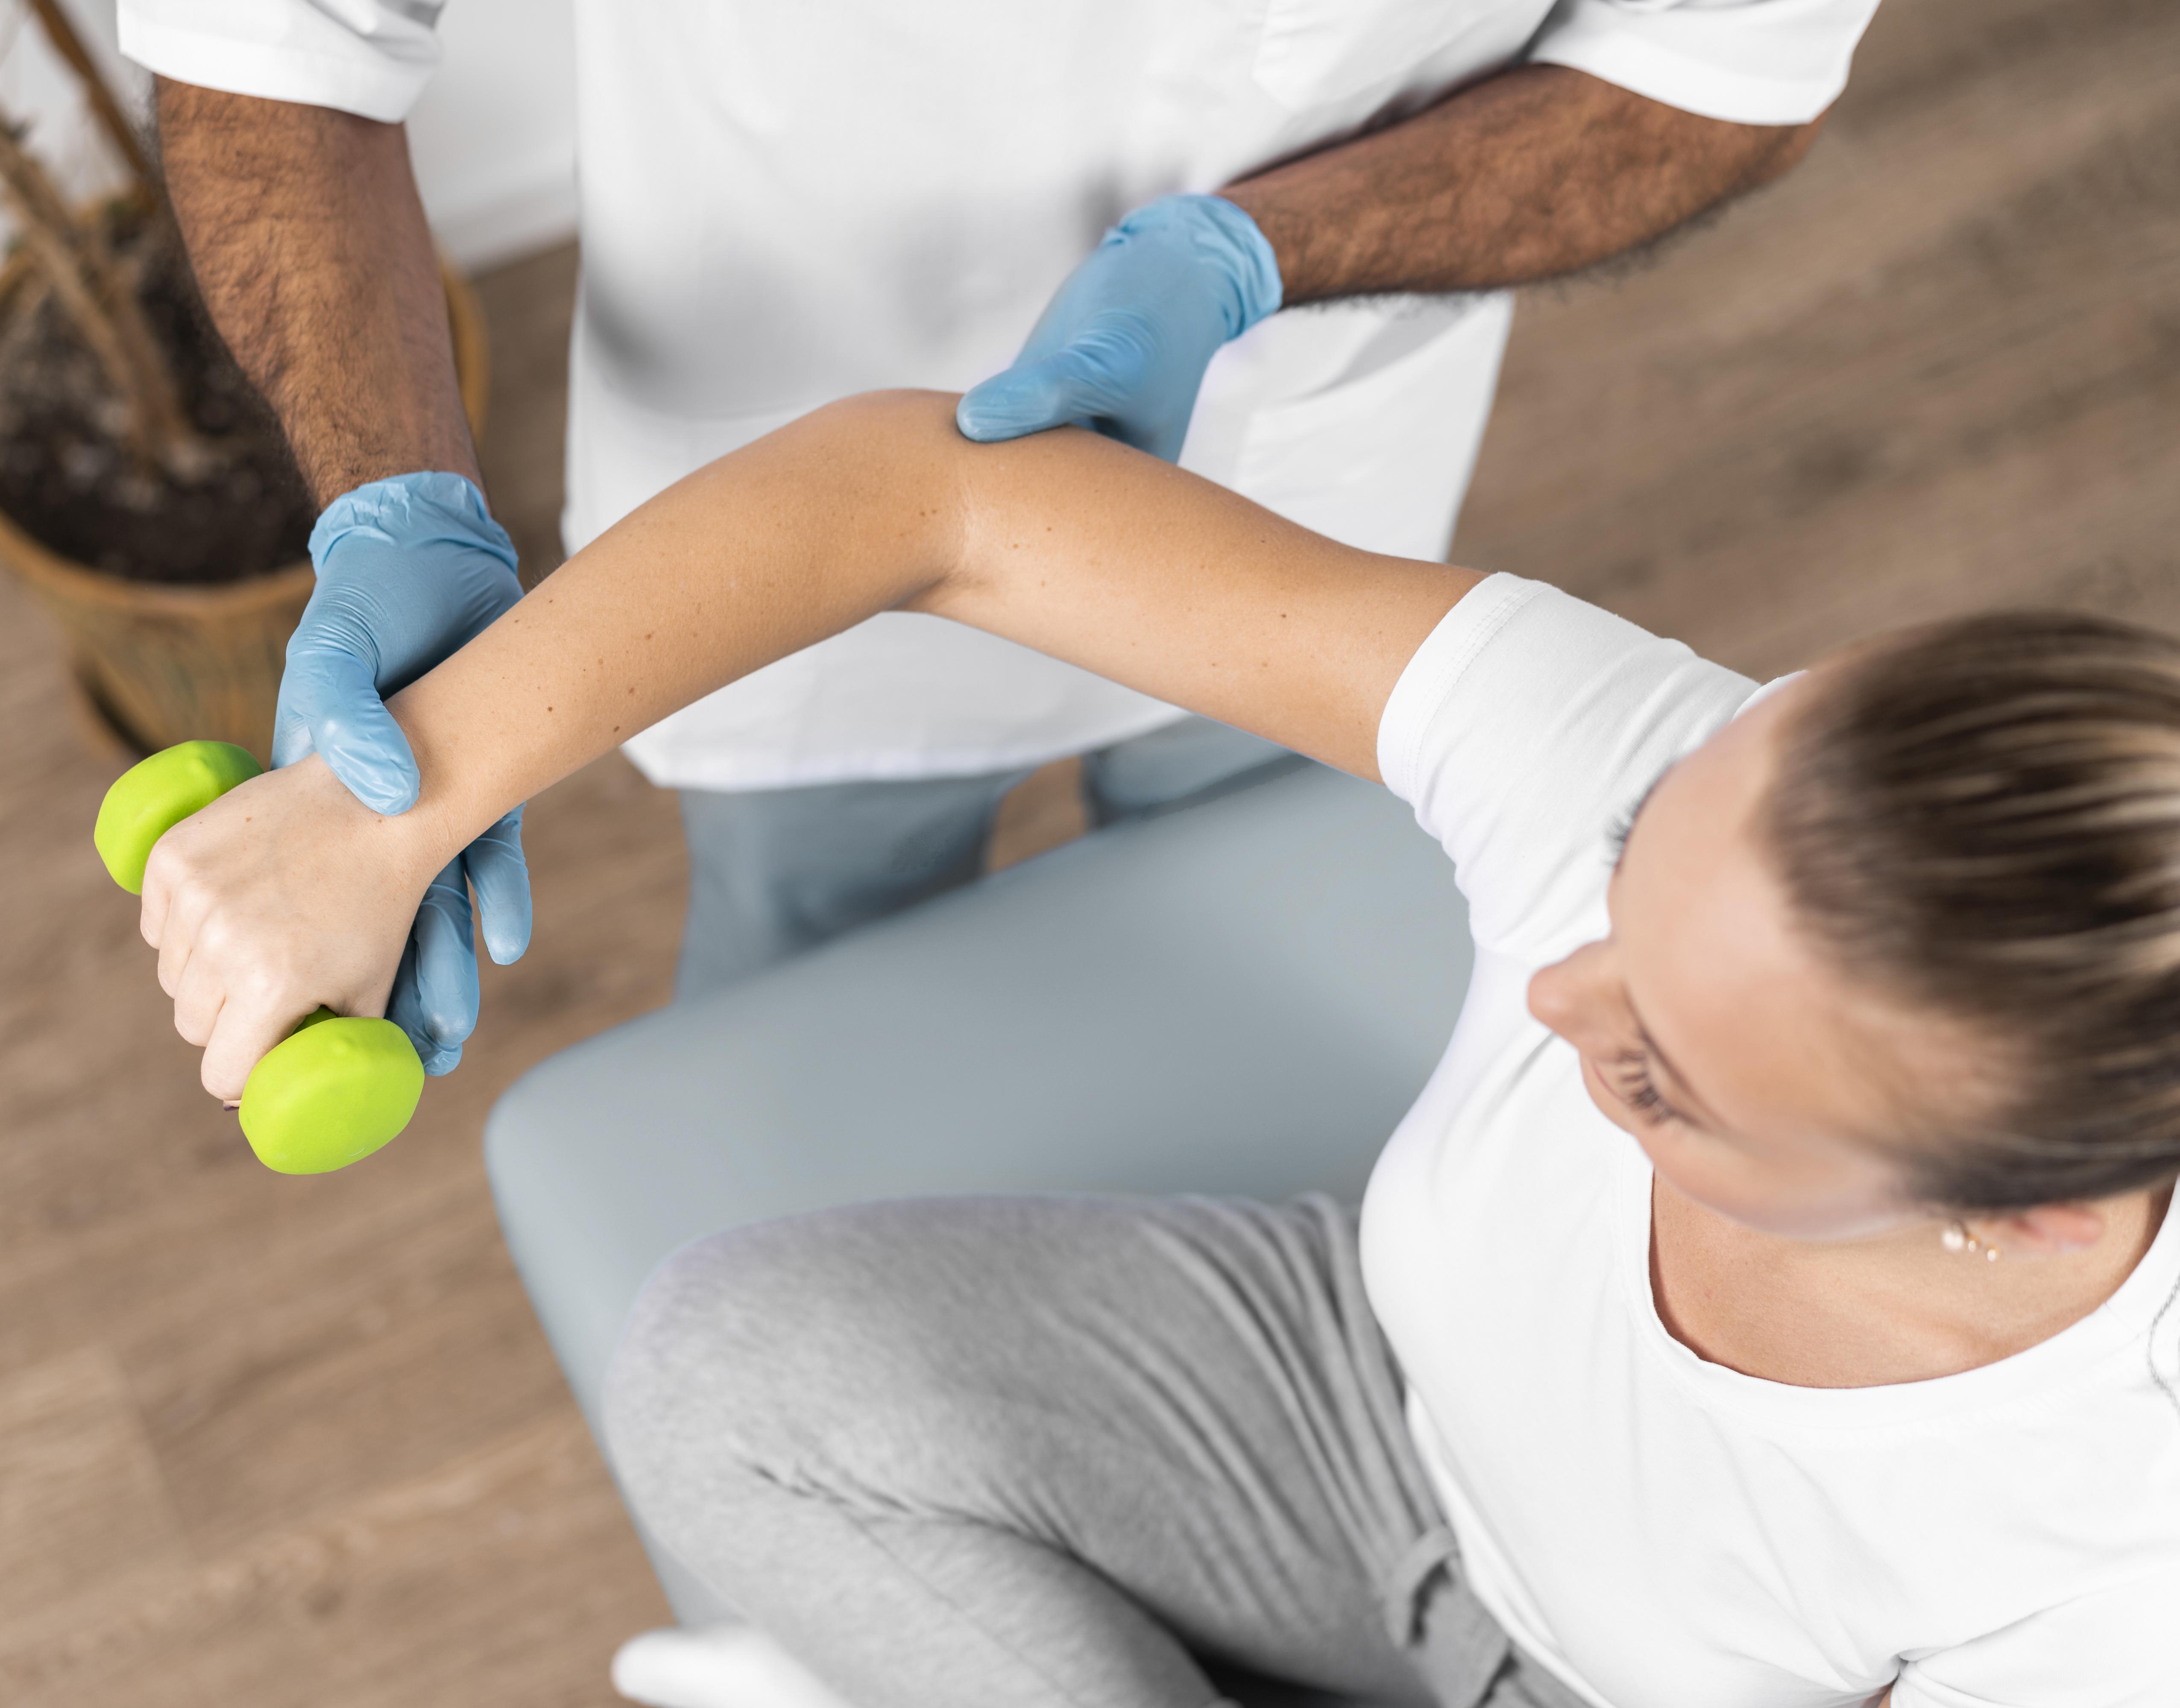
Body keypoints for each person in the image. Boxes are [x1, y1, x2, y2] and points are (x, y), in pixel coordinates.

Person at [138, 394, 2180, 1707]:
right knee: (733, 1378)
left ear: (2031, 1215)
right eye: (1628, 892)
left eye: (1665, 1080)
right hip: (1347, 1376)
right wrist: (395, 805)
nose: (1562, 997)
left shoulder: (2110, 1554)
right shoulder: (1649, 765)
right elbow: (942, 502)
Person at [121, 0, 1882, 1061]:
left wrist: (1261, 253)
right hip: (767, 427)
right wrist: (391, 504)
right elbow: (265, 45)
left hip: (1314, 454)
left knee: (1263, 932)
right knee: (819, 971)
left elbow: (1719, 67)